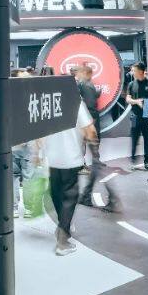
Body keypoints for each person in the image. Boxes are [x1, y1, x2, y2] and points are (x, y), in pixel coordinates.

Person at [42, 95, 96, 256]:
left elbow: (40, 131)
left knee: (56, 194)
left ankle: (63, 227)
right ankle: (62, 241)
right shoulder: (76, 103)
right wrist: (95, 151)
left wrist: (38, 153)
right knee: (69, 197)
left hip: (52, 159)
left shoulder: (48, 101)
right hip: (70, 158)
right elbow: (90, 130)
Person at [76, 65, 118, 211]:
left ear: (85, 73)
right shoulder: (87, 85)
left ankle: (90, 196)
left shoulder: (85, 86)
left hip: (89, 124)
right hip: (90, 124)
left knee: (96, 163)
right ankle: (88, 195)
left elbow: (89, 106)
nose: (77, 74)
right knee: (96, 162)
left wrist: (88, 125)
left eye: (79, 72)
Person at [124, 63, 148, 171]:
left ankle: (147, 162)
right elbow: (128, 99)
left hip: (147, 116)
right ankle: (133, 160)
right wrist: (137, 102)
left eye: (134, 70)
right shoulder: (131, 84)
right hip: (134, 116)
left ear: (141, 71)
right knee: (134, 139)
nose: (132, 73)